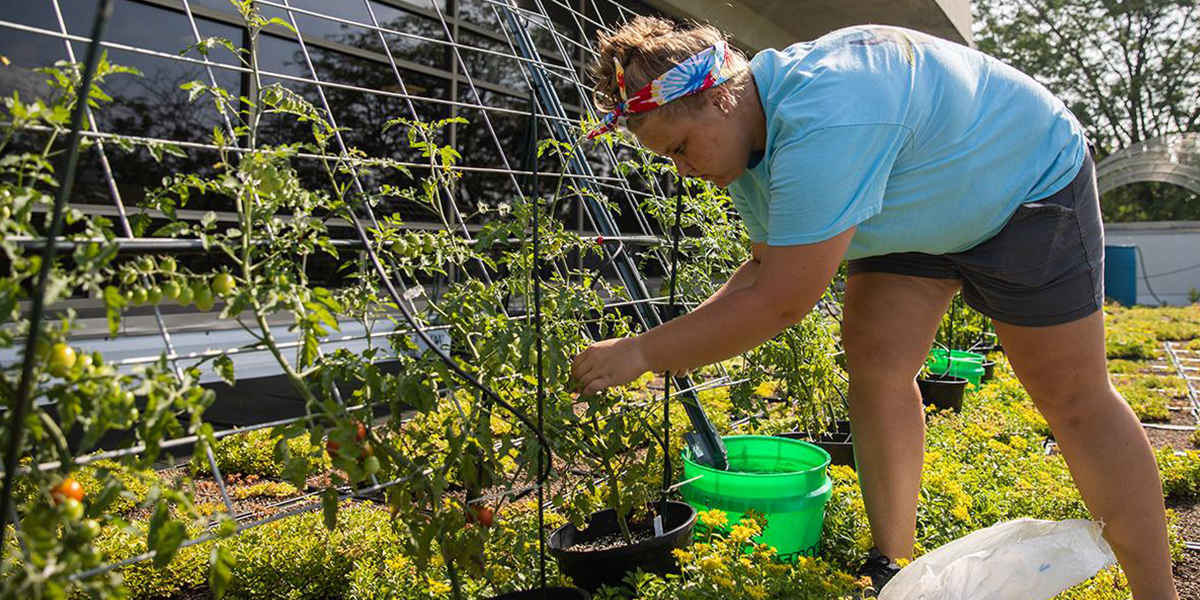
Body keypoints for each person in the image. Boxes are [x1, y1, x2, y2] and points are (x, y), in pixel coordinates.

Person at [568, 16, 1178, 599]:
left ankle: (1158, 593)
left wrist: (647, 351)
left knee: (1073, 397)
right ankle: (892, 566)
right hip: (910, 202)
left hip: (1019, 178)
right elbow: (762, 271)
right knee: (877, 363)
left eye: (680, 146)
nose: (684, 168)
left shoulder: (826, 117)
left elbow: (783, 301)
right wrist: (669, 343)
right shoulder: (746, 151)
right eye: (668, 158)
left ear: (720, 98)